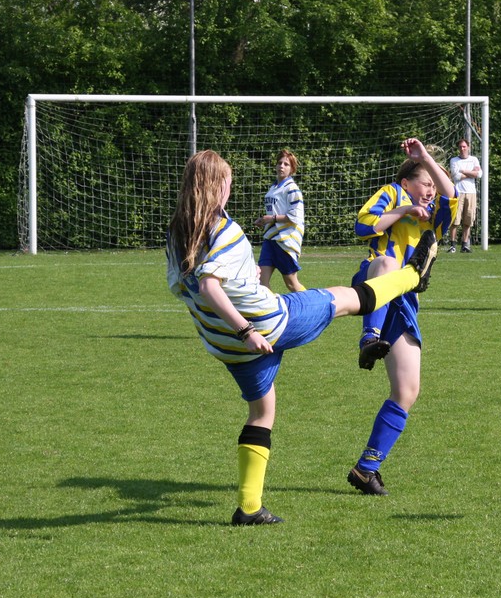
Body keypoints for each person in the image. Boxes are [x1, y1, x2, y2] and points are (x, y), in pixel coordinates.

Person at [166, 149, 439, 525]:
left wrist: (235, 308)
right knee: (344, 299)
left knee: (262, 412)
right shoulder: (223, 230)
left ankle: (249, 508)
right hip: (268, 323)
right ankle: (412, 276)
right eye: (228, 181)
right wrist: (246, 329)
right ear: (219, 186)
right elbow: (210, 286)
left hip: (225, 346)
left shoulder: (177, 233)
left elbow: (185, 288)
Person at [348, 139, 456, 496]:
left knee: (407, 391)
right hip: (374, 281)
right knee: (388, 263)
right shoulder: (394, 193)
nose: (431, 190)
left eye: (433, 184)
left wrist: (426, 158)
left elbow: (452, 194)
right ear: (407, 182)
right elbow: (364, 225)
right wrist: (406, 209)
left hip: (405, 301)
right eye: (425, 183)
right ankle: (369, 337)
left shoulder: (434, 216)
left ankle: (366, 469)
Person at [253, 149, 306, 292]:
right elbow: (274, 212)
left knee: (291, 284)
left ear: (292, 169)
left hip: (284, 241)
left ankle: (313, 303)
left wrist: (271, 219)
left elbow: (295, 217)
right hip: (270, 240)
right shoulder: (273, 187)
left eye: (286, 164)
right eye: (279, 163)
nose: (281, 166)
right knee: (261, 282)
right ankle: (271, 307)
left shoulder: (292, 189)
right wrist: (263, 220)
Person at [448, 138, 481, 253]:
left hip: (471, 193)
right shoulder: (454, 160)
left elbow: (479, 174)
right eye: (460, 147)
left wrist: (463, 171)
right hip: (458, 192)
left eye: (464, 146)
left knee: (468, 220)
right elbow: (456, 176)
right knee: (455, 220)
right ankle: (452, 245)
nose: (462, 149)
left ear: (468, 147)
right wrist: (472, 173)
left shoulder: (474, 159)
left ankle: (465, 245)